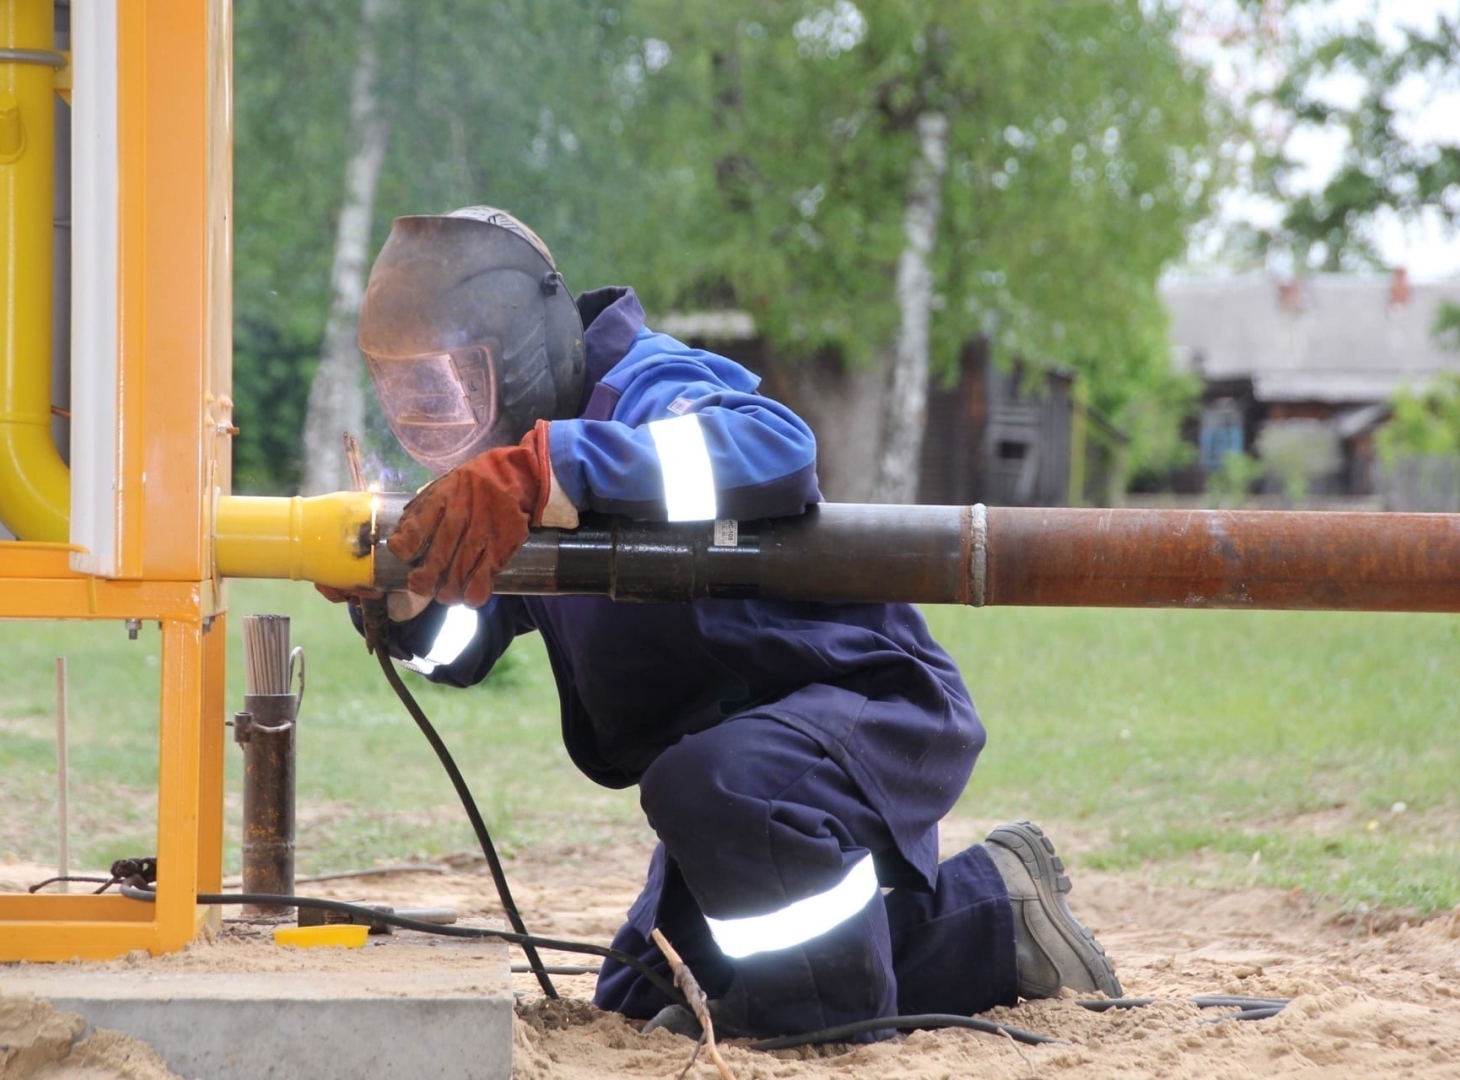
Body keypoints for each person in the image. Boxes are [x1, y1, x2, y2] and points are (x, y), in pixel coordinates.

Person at [328, 205, 1121, 1040]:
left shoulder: (646, 387)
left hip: (857, 707)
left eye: (444, 385)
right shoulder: (512, 469)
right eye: (405, 393)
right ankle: (1002, 920)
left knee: (746, 887)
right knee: (641, 996)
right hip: (735, 758)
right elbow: (467, 643)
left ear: (517, 348)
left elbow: (776, 450)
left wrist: (556, 467)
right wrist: (403, 598)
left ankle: (835, 1014)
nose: (425, 417)